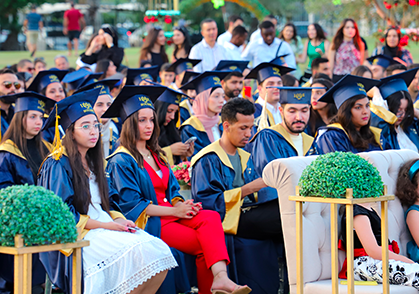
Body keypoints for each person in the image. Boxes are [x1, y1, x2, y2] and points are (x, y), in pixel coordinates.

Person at [103, 85, 250, 294]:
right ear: (128, 124)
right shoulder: (121, 160)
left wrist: (182, 204)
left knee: (211, 217)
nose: (149, 125)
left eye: (151, 120)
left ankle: (221, 277)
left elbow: (173, 190)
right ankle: (212, 288)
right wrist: (175, 211)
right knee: (203, 244)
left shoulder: (156, 154)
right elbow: (133, 205)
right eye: (141, 120)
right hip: (151, 223)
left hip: (172, 215)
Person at [39, 89, 176, 294]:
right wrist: (107, 225)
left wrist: (119, 220)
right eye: (85, 127)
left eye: (95, 125)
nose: (94, 131)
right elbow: (62, 215)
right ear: (70, 131)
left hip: (104, 225)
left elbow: (109, 202)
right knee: (140, 251)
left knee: (158, 250)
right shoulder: (57, 164)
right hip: (78, 234)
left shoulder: (97, 163)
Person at [191, 97, 284, 294]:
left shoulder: (245, 156)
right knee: (283, 214)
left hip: (251, 216)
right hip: (228, 222)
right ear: (226, 125)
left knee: (289, 208)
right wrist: (248, 189)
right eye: (243, 128)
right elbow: (207, 205)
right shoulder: (207, 159)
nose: (249, 134)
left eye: (251, 128)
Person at [0, 92, 54, 292]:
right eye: (33, 116)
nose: (39, 122)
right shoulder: (6, 153)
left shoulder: (47, 148)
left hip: (44, 217)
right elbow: (3, 194)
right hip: (16, 221)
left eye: (41, 117)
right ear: (20, 118)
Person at [337, 187, 419, 293]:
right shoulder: (357, 212)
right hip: (365, 264)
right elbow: (373, 250)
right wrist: (405, 260)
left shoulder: (368, 210)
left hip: (378, 260)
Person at [370, 70, 419, 154]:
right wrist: (376, 93)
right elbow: (379, 116)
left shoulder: (410, 128)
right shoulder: (385, 132)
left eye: (405, 110)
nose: (402, 115)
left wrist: (413, 111)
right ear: (387, 106)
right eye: (398, 110)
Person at [311, 74, 382, 154]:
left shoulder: (375, 136)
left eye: (367, 106)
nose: (365, 111)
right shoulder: (332, 137)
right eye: (358, 107)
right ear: (345, 111)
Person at [180, 71, 230, 158]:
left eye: (223, 96)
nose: (222, 100)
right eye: (216, 96)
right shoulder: (190, 128)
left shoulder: (223, 122)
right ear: (204, 98)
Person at [74, 79, 121, 158]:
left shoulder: (115, 136)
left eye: (109, 104)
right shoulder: (82, 140)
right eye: (99, 105)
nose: (105, 109)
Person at [244, 62, 294, 128]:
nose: (276, 87)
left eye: (279, 83)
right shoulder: (253, 113)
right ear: (260, 88)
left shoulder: (287, 110)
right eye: (270, 84)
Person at [154, 86, 194, 165]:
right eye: (169, 111)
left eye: (175, 112)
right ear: (160, 109)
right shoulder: (147, 131)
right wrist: (170, 151)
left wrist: (182, 154)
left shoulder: (171, 130)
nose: (172, 117)